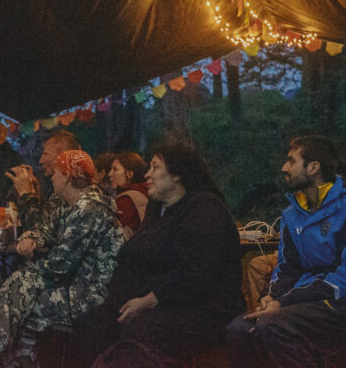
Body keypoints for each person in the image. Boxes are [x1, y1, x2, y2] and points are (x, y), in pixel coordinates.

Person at [0, 150, 124, 368]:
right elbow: (45, 228)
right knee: (20, 294)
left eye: (56, 172)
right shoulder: (67, 201)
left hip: (89, 293)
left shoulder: (89, 209)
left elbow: (58, 266)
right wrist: (32, 237)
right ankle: (11, 357)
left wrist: (25, 274)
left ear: (68, 177)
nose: (52, 177)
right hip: (71, 284)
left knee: (20, 293)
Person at [226, 136, 346, 367]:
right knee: (239, 328)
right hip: (306, 302)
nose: (284, 168)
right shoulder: (292, 215)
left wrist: (284, 302)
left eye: (291, 161)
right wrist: (270, 296)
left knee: (272, 324)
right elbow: (287, 267)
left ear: (313, 168)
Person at [85, 142, 244, 366]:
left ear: (177, 173)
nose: (147, 175)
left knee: (140, 328)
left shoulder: (205, 210)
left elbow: (194, 272)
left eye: (155, 167)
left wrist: (149, 300)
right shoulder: (157, 209)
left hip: (202, 310)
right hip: (156, 300)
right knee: (93, 320)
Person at [5, 130, 81, 231]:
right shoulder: (61, 185)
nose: (41, 160)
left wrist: (25, 193)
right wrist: (35, 194)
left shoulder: (70, 188)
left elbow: (39, 230)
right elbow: (47, 219)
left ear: (61, 157)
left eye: (45, 154)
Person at [108, 152, 149, 235]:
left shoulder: (125, 200)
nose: (110, 174)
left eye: (115, 169)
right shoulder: (147, 192)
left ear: (129, 174)